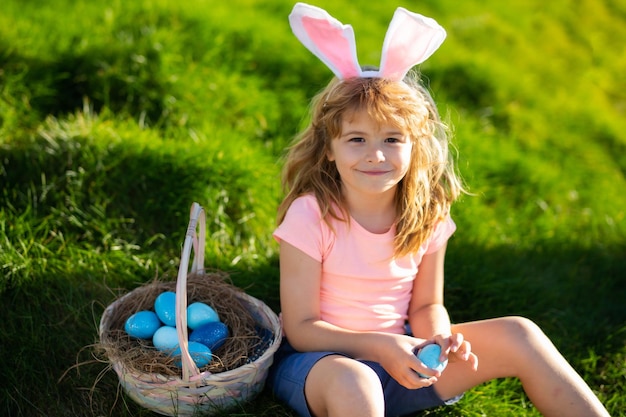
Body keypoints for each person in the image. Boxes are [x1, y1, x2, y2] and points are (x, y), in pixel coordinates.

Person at [267, 3, 611, 417]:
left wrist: (438, 339)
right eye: (356, 139)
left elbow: (427, 305)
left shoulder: (425, 215)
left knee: (520, 333)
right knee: (355, 382)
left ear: (415, 148)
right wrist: (382, 346)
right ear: (328, 150)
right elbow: (302, 330)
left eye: (393, 139)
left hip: (406, 360)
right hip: (323, 366)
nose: (376, 155)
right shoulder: (311, 215)